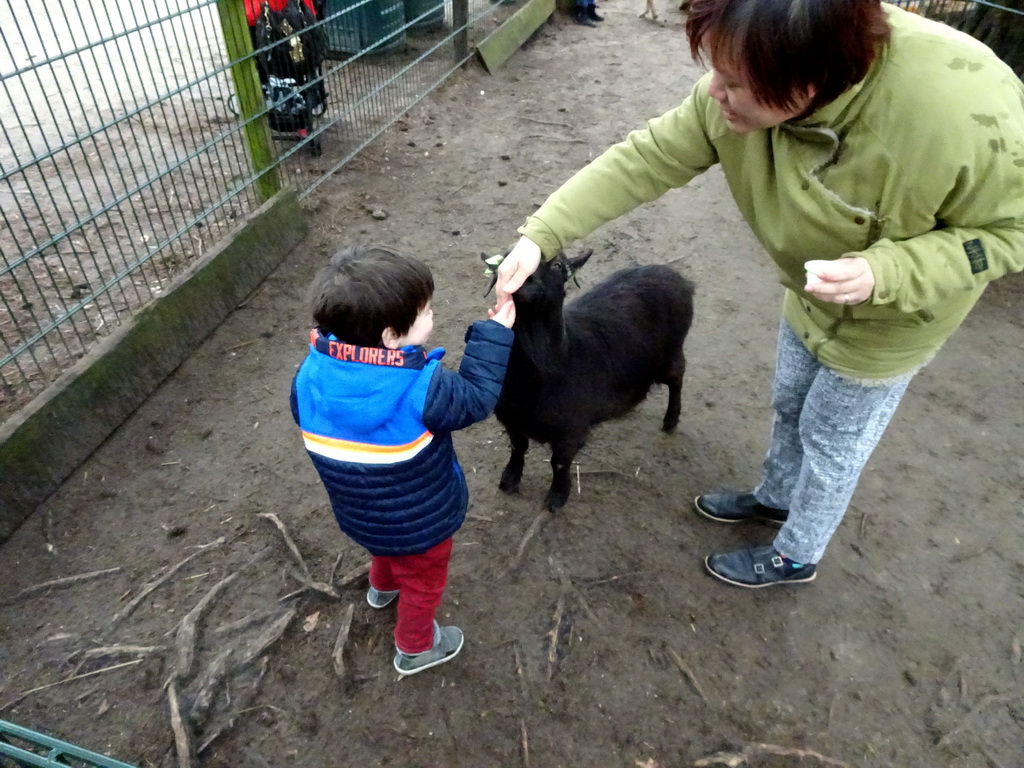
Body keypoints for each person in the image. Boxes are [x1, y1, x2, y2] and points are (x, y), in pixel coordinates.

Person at [494, 0, 1024, 589]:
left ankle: (798, 553)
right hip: (810, 291)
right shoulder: (748, 78)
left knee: (832, 442)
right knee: (791, 399)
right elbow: (648, 156)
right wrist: (542, 236)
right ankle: (774, 497)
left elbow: (1010, 233)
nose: (712, 92)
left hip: (897, 317)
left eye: (736, 82)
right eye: (714, 70)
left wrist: (892, 270)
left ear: (808, 81)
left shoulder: (967, 113)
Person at [291, 245, 515, 673]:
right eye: (426, 311)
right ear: (391, 337)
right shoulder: (422, 388)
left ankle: (381, 588)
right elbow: (475, 399)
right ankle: (415, 646)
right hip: (422, 522)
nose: (433, 316)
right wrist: (494, 336)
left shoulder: (309, 375)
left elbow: (303, 415)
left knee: (384, 541)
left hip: (359, 513)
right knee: (424, 582)